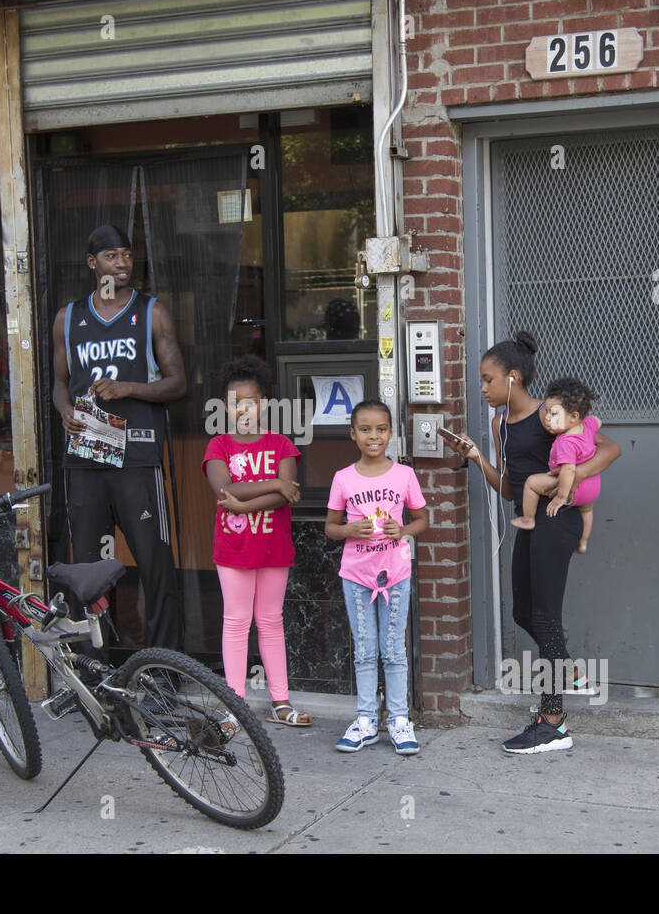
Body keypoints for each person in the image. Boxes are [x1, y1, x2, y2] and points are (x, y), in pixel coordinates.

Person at [442, 332, 620, 755]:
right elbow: (508, 489)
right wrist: (477, 458)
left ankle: (553, 721)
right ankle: (570, 669)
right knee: (524, 610)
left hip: (558, 519)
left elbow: (610, 449)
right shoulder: (499, 423)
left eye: (488, 380)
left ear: (513, 377)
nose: (482, 388)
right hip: (527, 519)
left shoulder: (551, 412)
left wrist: (566, 479)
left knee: (544, 615)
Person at [51, 225, 187, 651]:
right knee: (86, 569)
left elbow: (178, 383)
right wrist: (64, 411)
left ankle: (163, 666)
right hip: (86, 457)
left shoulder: (152, 312)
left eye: (127, 255)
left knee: (154, 564)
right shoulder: (68, 317)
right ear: (93, 264)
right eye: (112, 256)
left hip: (138, 457)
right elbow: (58, 382)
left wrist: (128, 388)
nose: (123, 263)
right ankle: (95, 665)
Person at [202, 356, 309, 731]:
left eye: (251, 401)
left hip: (273, 548)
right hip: (233, 550)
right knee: (235, 622)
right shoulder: (219, 446)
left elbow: (288, 495)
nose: (243, 409)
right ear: (225, 407)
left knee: (270, 621)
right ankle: (235, 708)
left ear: (263, 404)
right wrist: (274, 484)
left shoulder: (282, 443)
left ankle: (280, 702)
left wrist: (262, 495)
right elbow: (225, 489)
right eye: (236, 403)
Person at [325, 400, 428, 756]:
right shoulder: (343, 478)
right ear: (353, 434)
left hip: (395, 575)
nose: (374, 436)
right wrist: (349, 528)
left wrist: (401, 530)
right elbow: (330, 528)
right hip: (356, 577)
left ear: (391, 433)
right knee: (366, 651)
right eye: (365, 429)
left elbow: (422, 520)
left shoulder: (404, 475)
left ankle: (399, 719)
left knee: (393, 650)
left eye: (381, 429)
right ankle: (366, 719)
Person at [509, 376, 602, 554]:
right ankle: (583, 542)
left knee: (531, 483)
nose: (547, 419)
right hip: (592, 489)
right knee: (587, 511)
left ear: (574, 416)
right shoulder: (588, 425)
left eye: (553, 414)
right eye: (547, 412)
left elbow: (569, 469)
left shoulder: (566, 442)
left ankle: (528, 519)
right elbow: (597, 421)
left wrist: (560, 497)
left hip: (573, 489)